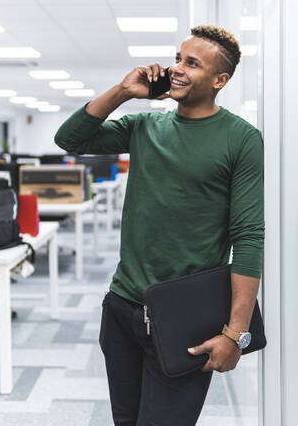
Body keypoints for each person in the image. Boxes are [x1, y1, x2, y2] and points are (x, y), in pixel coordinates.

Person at [54, 25, 265, 425]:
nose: (177, 69)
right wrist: (121, 91)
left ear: (220, 80)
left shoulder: (241, 138)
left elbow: (249, 237)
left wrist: (236, 333)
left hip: (184, 317)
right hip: (122, 307)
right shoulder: (143, 128)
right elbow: (70, 140)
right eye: (177, 59)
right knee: (126, 421)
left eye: (192, 63)